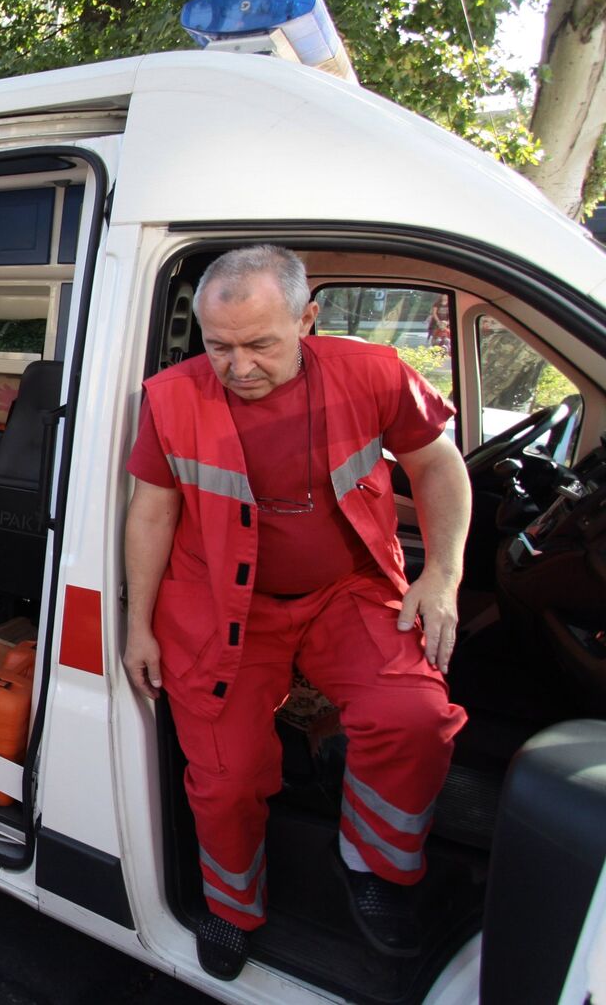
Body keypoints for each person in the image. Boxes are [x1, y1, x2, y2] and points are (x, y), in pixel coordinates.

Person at [123, 246, 471, 981]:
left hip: (345, 592)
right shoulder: (170, 398)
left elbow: (436, 463)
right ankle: (230, 904)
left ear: (307, 318)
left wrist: (442, 571)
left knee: (413, 716)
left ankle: (376, 866)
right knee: (224, 773)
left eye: (260, 344)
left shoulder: (372, 373)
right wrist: (139, 624)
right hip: (219, 602)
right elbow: (152, 512)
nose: (239, 366)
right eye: (220, 346)